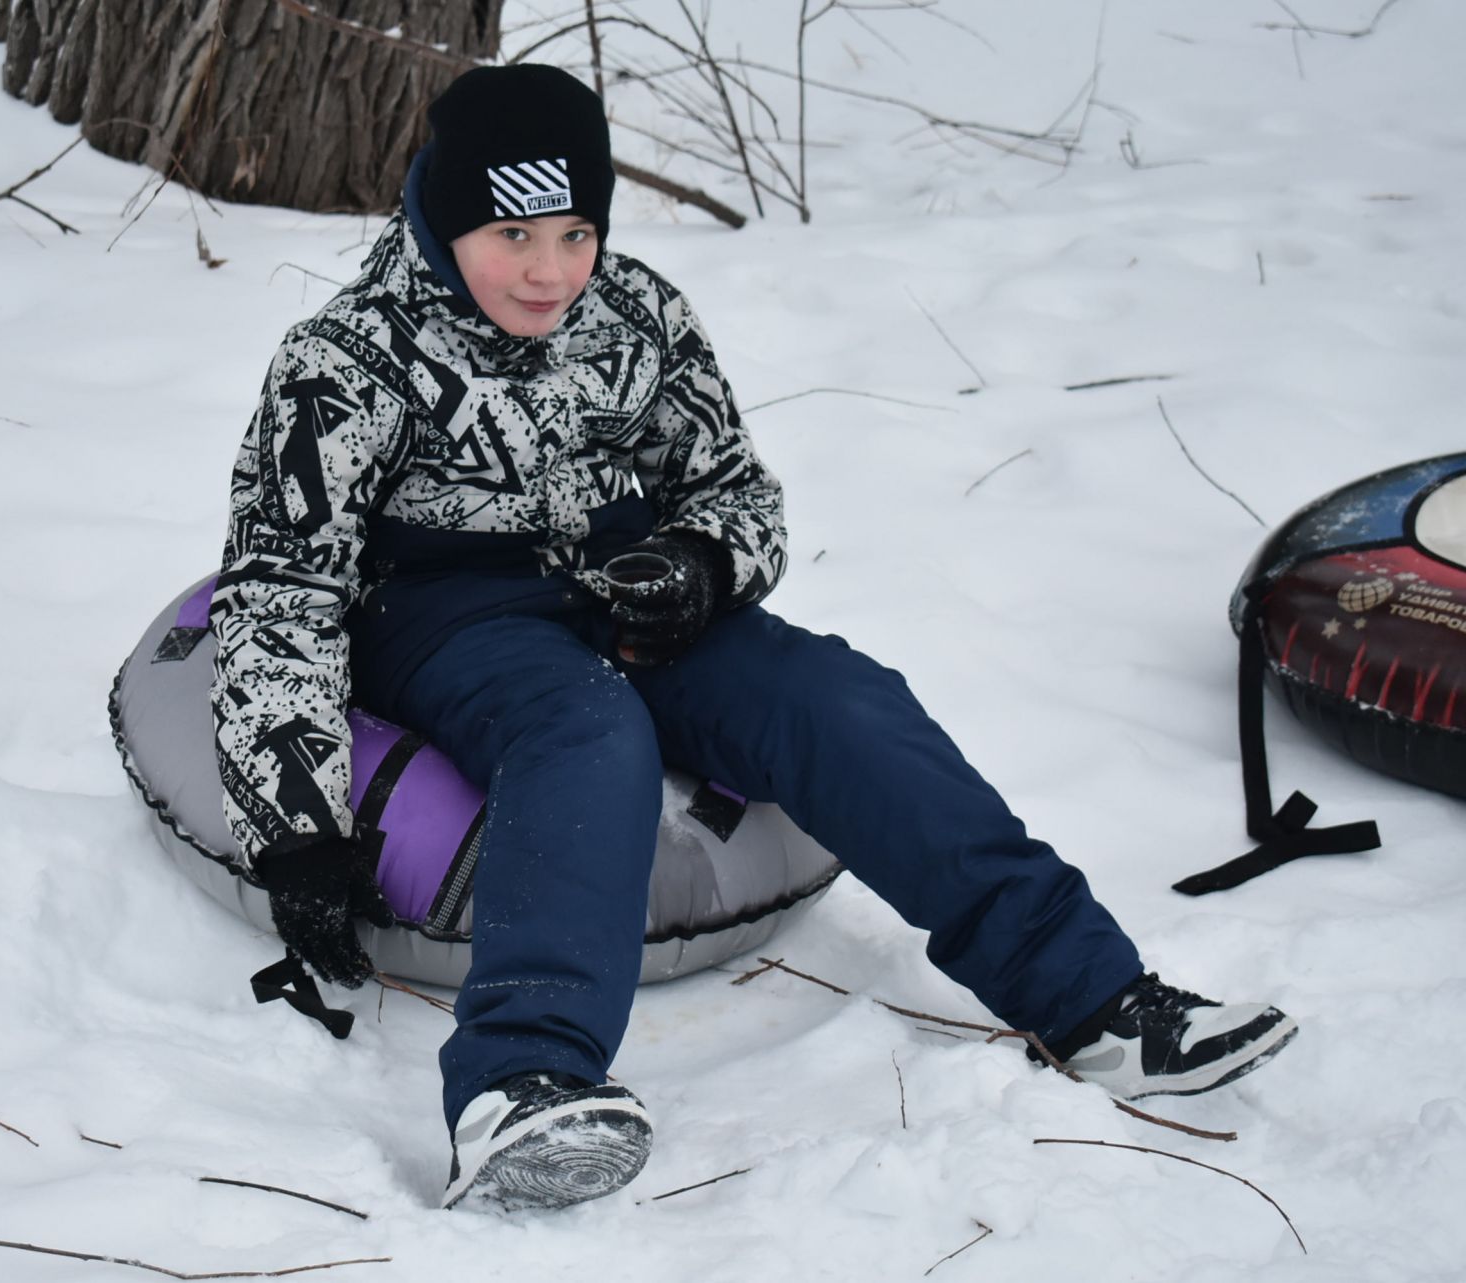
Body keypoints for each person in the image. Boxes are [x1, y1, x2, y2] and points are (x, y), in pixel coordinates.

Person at [208, 64, 1297, 1213]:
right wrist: (299, 833)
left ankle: (1095, 999)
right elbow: (280, 588)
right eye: (513, 233)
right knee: (587, 730)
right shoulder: (341, 363)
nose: (549, 271)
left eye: (578, 231)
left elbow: (733, 488)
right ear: (446, 215)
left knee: (834, 695)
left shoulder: (637, 315)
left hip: (618, 581)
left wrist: (703, 563)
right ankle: (522, 1079)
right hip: (442, 610)